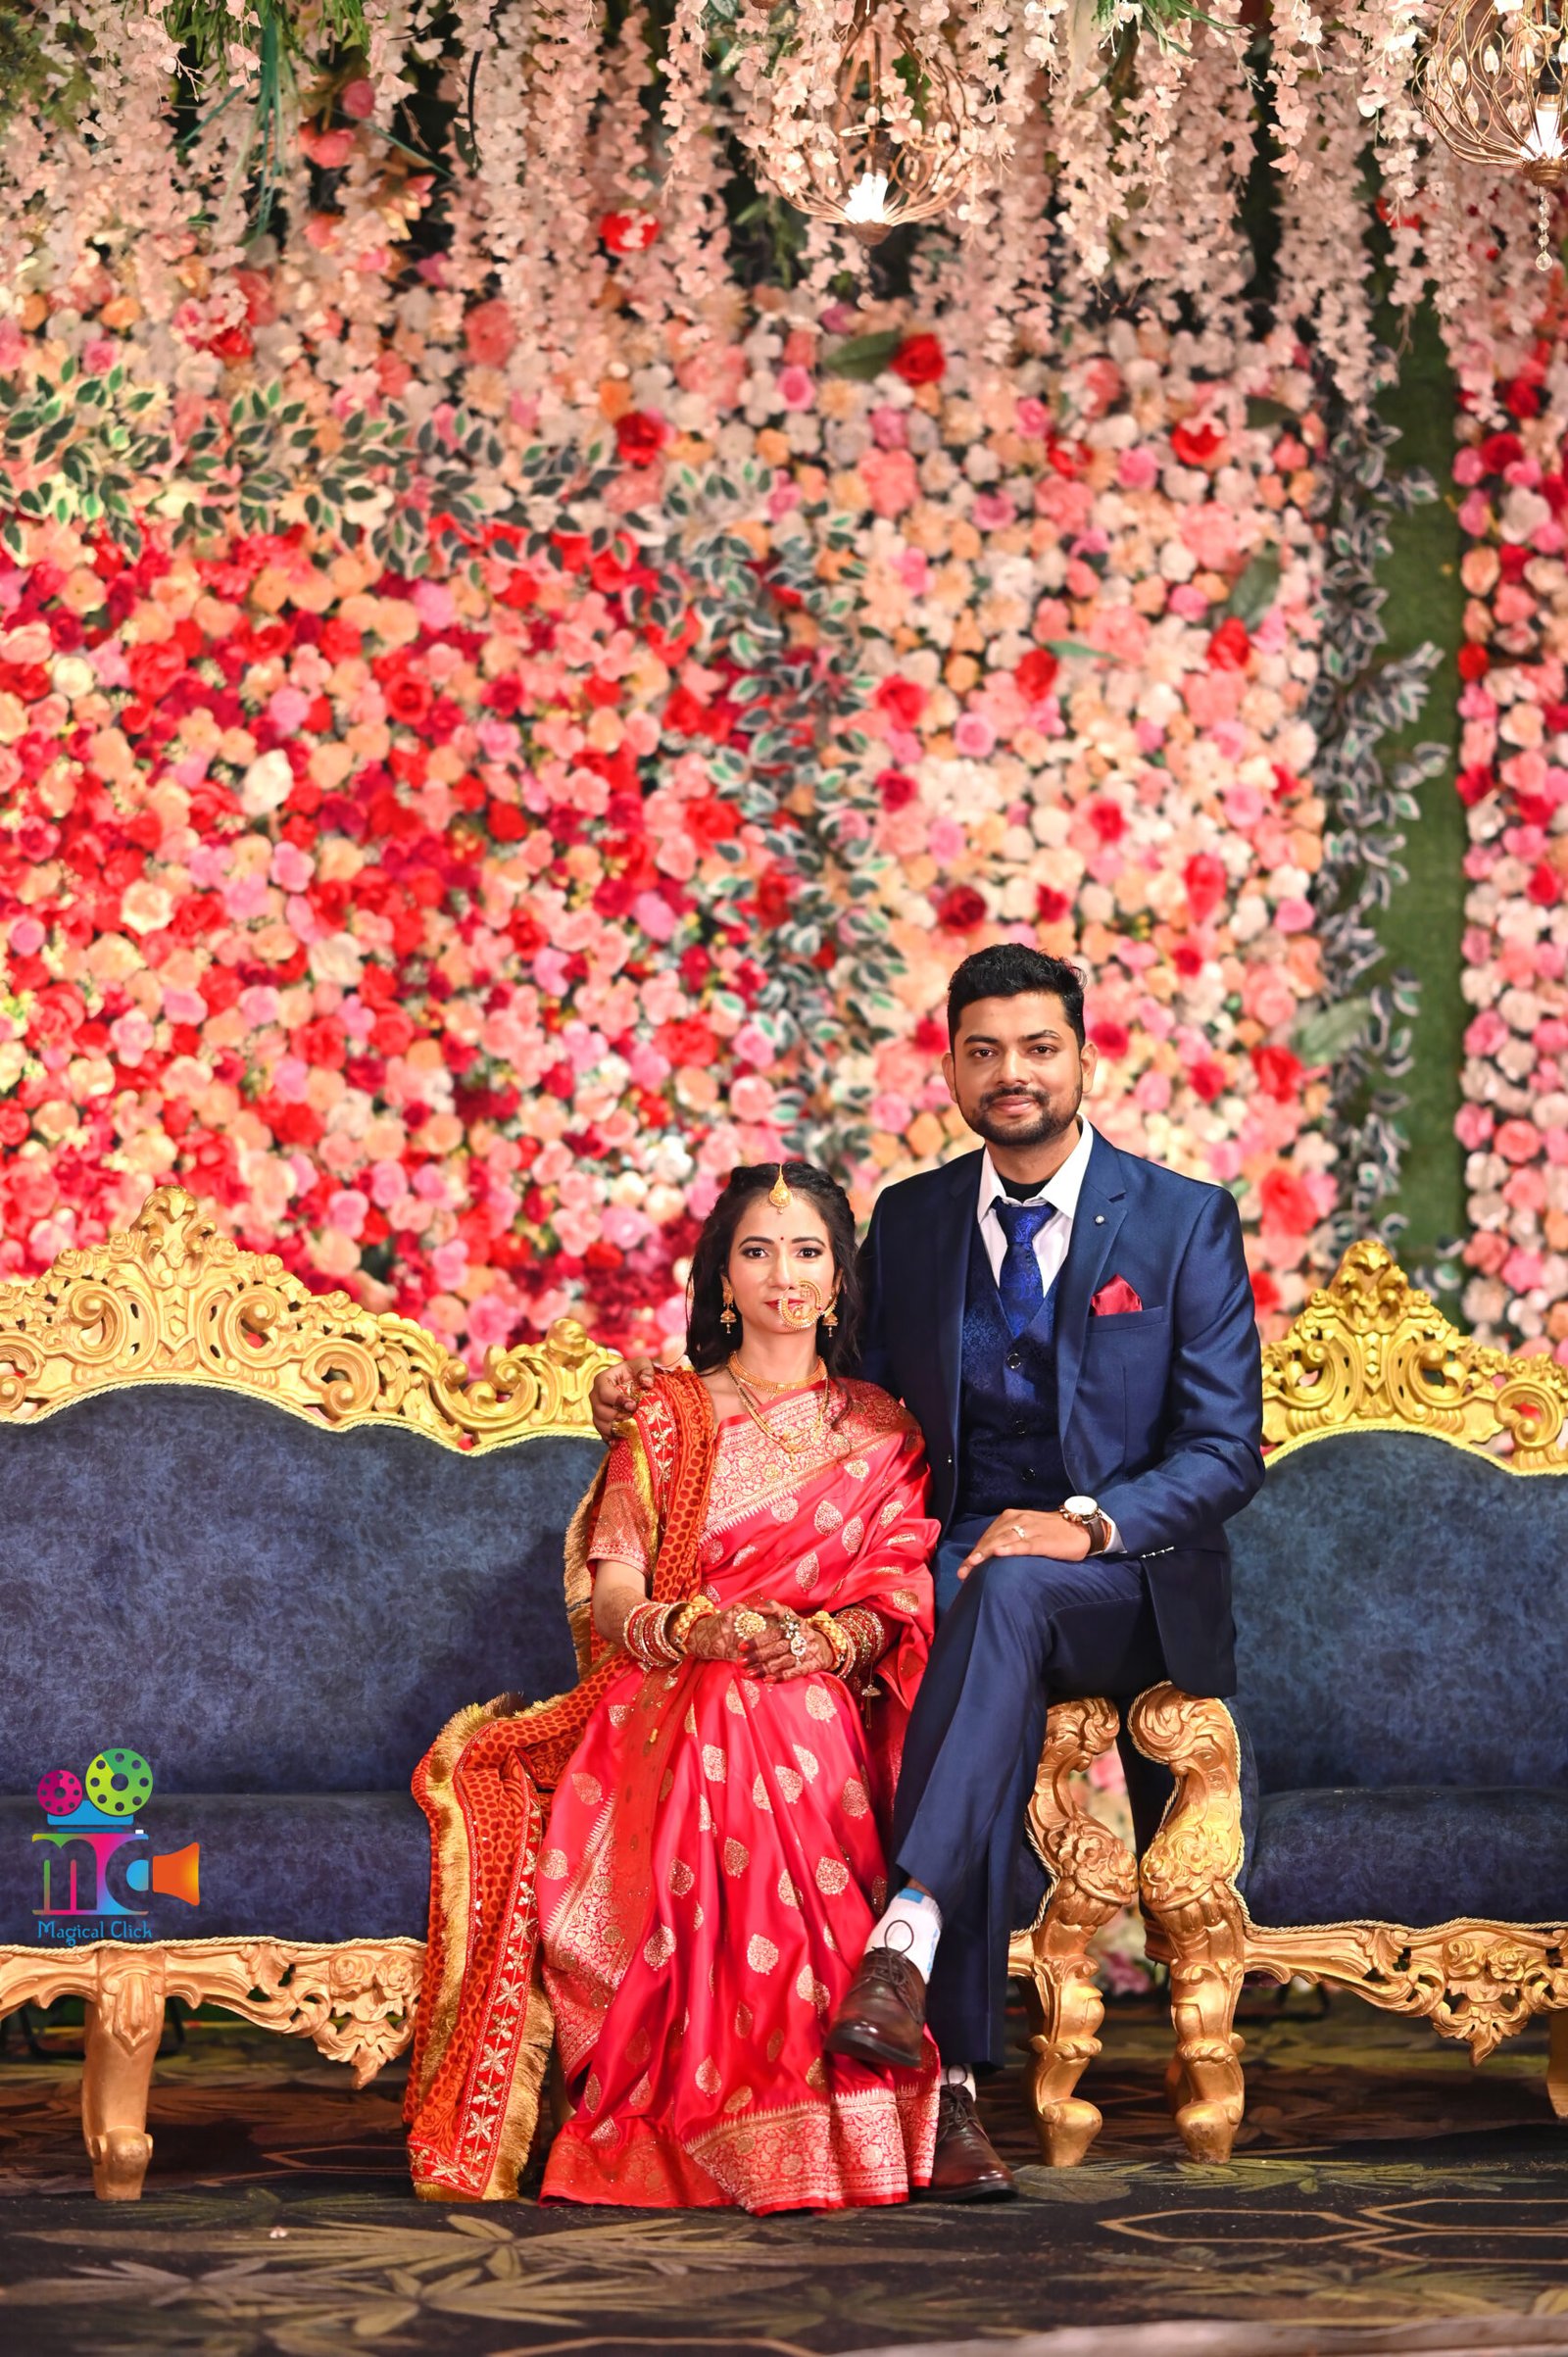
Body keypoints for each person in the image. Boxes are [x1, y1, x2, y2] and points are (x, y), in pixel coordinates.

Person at [592, 943, 1264, 2199]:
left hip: (1122, 1579)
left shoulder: (1179, 1220)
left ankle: (907, 1945)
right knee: (934, 1634)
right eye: (984, 1050)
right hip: (943, 1563)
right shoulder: (911, 1218)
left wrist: (1086, 1524)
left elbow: (1227, 1450)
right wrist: (658, 1402)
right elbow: (828, 1397)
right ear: (951, 1068)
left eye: (1038, 1047)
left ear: (1082, 1058)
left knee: (992, 1596)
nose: (1013, 1072)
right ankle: (940, 2091)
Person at [407, 1159, 940, 2211]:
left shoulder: (884, 1428)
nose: (783, 1275)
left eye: (807, 1251)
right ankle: (749, 2107)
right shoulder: (667, 1413)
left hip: (816, 1693)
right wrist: (699, 1626)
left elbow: (897, 1590)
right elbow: (615, 1595)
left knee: (774, 1699)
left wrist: (823, 1643)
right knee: (735, 1695)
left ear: (839, 1278)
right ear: (722, 1280)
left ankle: (801, 2103)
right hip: (665, 1694)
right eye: (757, 1252)